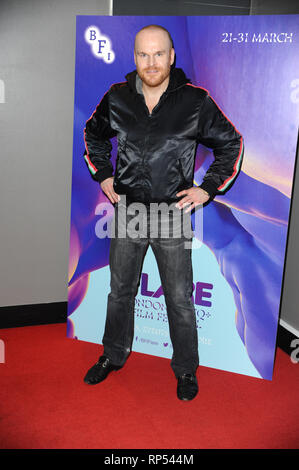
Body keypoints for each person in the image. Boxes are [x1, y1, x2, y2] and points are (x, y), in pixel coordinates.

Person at [82, 24, 244, 401]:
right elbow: (92, 134)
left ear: (172, 56)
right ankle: (112, 354)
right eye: (143, 54)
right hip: (127, 212)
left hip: (172, 215)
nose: (151, 62)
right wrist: (104, 175)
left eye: (158, 54)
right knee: (120, 291)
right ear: (134, 57)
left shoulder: (195, 102)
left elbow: (231, 144)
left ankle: (186, 369)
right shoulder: (117, 97)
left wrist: (208, 189)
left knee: (179, 297)